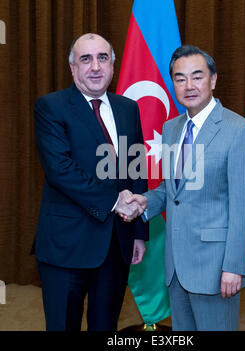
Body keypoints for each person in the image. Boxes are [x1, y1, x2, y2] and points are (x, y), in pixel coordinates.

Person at [124, 45, 245, 331]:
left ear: (213, 80)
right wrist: (144, 202)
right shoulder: (171, 128)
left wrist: (235, 266)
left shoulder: (240, 131)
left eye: (197, 77)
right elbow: (172, 190)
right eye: (180, 78)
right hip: (176, 266)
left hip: (216, 267)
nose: (189, 86)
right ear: (172, 83)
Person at [32, 33, 149, 331]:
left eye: (102, 58)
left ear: (112, 65)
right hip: (66, 245)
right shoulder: (50, 107)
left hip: (116, 243)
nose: (95, 66)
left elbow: (135, 169)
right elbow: (61, 170)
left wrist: (138, 231)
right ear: (73, 68)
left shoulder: (128, 108)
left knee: (105, 326)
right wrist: (114, 201)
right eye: (86, 59)